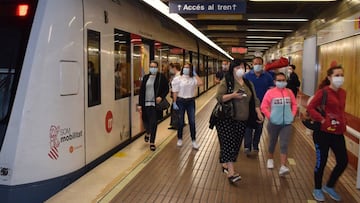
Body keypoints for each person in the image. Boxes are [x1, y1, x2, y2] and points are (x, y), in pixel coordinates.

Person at [215, 59, 263, 183]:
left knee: (236, 145)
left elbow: (255, 99)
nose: (240, 69)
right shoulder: (227, 81)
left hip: (243, 119)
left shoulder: (248, 83)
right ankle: (231, 172)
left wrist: (258, 112)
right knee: (229, 143)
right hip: (227, 119)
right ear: (232, 69)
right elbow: (219, 97)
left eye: (242, 67)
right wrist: (233, 95)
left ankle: (225, 164)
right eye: (237, 67)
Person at [307, 63, 347, 202]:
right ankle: (317, 188)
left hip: (338, 133)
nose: (340, 78)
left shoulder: (343, 93)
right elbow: (310, 107)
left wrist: (343, 123)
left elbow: (340, 111)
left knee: (343, 161)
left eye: (342, 75)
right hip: (323, 133)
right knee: (321, 162)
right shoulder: (323, 92)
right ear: (330, 77)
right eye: (337, 75)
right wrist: (322, 120)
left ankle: (329, 186)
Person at [260, 72, 297, 176]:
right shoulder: (270, 93)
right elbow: (263, 106)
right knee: (272, 142)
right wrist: (270, 116)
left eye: (283, 80)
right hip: (274, 123)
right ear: (275, 82)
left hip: (287, 123)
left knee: (284, 144)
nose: (282, 82)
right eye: (279, 80)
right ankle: (270, 158)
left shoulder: (289, 92)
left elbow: (294, 104)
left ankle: (283, 166)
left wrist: (292, 115)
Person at [243, 57, 274, 155]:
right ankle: (247, 146)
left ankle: (255, 145)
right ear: (252, 64)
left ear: (262, 64)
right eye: (255, 63)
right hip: (249, 105)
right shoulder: (247, 76)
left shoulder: (268, 77)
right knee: (248, 126)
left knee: (259, 126)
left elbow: (271, 90)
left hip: (262, 106)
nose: (257, 65)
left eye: (259, 63)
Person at [137, 61, 169, 151]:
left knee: (154, 122)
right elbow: (142, 91)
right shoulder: (146, 77)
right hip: (145, 104)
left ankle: (152, 142)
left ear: (157, 68)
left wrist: (161, 97)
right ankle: (147, 132)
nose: (153, 68)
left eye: (154, 67)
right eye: (151, 66)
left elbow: (166, 89)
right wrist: (139, 104)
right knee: (146, 120)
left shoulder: (161, 77)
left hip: (155, 104)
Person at [172, 62, 203, 149]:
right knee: (180, 122)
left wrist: (195, 74)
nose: (185, 69)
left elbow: (201, 83)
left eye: (188, 68)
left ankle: (194, 140)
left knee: (192, 122)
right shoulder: (178, 78)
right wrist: (174, 102)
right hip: (180, 101)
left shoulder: (193, 79)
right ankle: (180, 138)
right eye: (184, 67)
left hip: (190, 102)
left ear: (191, 69)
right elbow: (175, 91)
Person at [168, 63, 181, 130]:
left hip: (177, 96)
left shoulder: (177, 76)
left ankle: (176, 125)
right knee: (175, 110)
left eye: (172, 68)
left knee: (175, 110)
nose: (171, 70)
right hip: (178, 95)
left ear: (175, 68)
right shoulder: (178, 75)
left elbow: (176, 88)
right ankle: (177, 124)